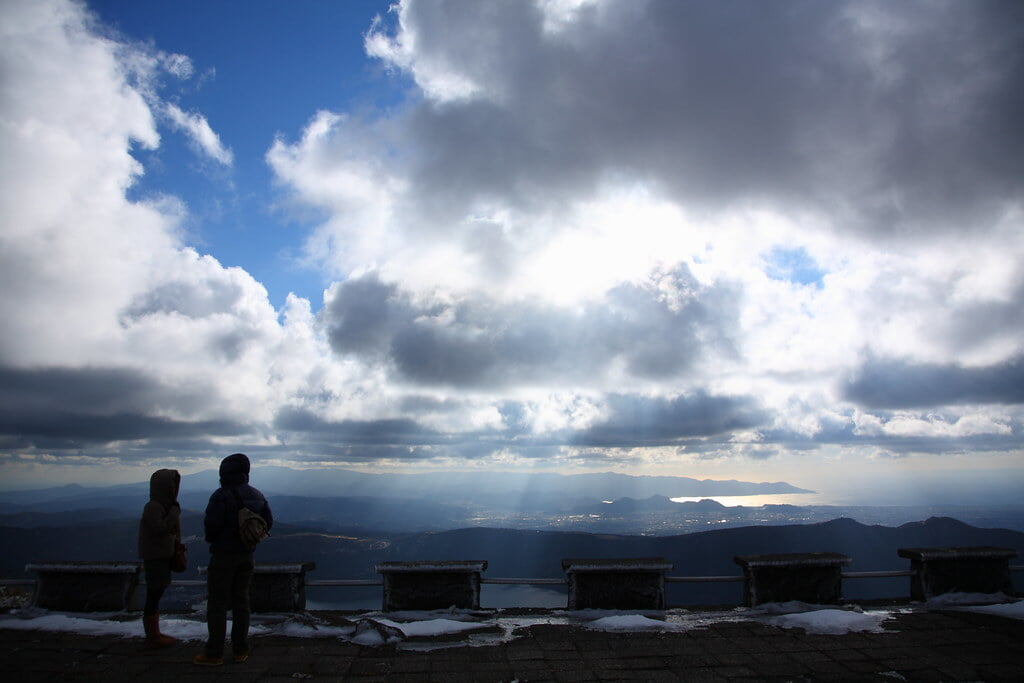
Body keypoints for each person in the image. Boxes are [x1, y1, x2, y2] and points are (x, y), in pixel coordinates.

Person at [193, 453, 273, 667]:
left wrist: (216, 540)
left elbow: (211, 527)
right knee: (241, 601)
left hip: (222, 555)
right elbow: (268, 522)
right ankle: (240, 649)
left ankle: (214, 652)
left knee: (217, 603)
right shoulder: (256, 495)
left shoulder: (220, 496)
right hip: (247, 553)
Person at [137, 468, 182, 649]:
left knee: (157, 591)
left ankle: (154, 632)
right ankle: (152, 635)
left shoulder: (164, 505)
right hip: (156, 557)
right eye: (172, 484)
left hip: (162, 555)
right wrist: (173, 514)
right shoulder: (154, 507)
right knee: (154, 592)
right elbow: (160, 528)